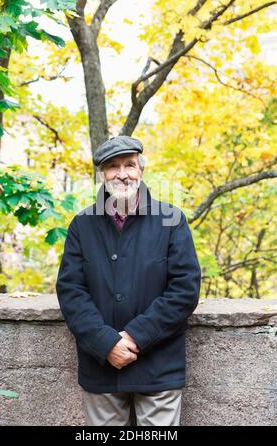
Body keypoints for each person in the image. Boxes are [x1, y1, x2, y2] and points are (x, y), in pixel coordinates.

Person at [56, 135, 201, 426]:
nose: (122, 174)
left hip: (159, 365)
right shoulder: (82, 225)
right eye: (112, 166)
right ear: (102, 175)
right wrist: (106, 343)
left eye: (130, 165)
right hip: (102, 366)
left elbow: (185, 289)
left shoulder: (171, 219)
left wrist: (134, 337)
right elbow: (71, 292)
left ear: (141, 170)